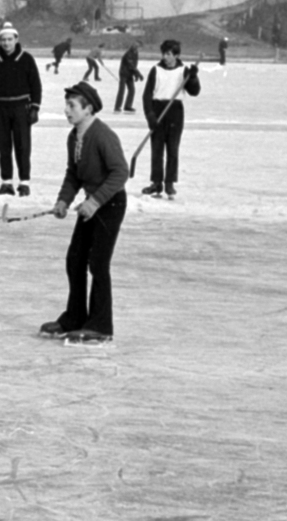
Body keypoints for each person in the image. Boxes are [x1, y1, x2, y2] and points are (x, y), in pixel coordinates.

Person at [40, 82, 129, 345]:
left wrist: (96, 201)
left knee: (98, 264)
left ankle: (100, 325)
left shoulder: (102, 135)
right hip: (92, 204)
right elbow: (74, 173)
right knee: (75, 259)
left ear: (88, 109)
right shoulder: (74, 136)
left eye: (72, 106)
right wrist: (63, 201)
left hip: (110, 204)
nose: (67, 110)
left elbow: (120, 173)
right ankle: (76, 316)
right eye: (66, 105)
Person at [0, 21, 43, 196]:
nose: (6, 43)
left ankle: (24, 183)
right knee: (4, 147)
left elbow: (36, 85)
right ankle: (6, 183)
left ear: (16, 39)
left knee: (23, 146)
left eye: (9, 39)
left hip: (21, 107)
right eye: (3, 40)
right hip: (0, 108)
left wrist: (35, 108)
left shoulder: (26, 59)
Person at [141, 39, 201, 199]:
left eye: (168, 54)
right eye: (164, 54)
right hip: (158, 110)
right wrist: (150, 115)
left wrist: (193, 77)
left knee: (173, 150)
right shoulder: (155, 70)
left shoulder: (184, 71)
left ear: (176, 55)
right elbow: (147, 95)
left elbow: (194, 91)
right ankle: (156, 183)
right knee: (157, 150)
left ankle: (169, 183)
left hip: (175, 111)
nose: (165, 57)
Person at [114, 40, 142, 113]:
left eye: (137, 45)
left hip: (129, 74)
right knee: (122, 90)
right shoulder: (129, 53)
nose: (135, 46)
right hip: (124, 73)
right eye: (134, 45)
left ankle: (127, 106)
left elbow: (134, 65)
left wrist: (135, 74)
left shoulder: (136, 53)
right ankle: (117, 107)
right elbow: (131, 65)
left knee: (132, 90)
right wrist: (138, 73)